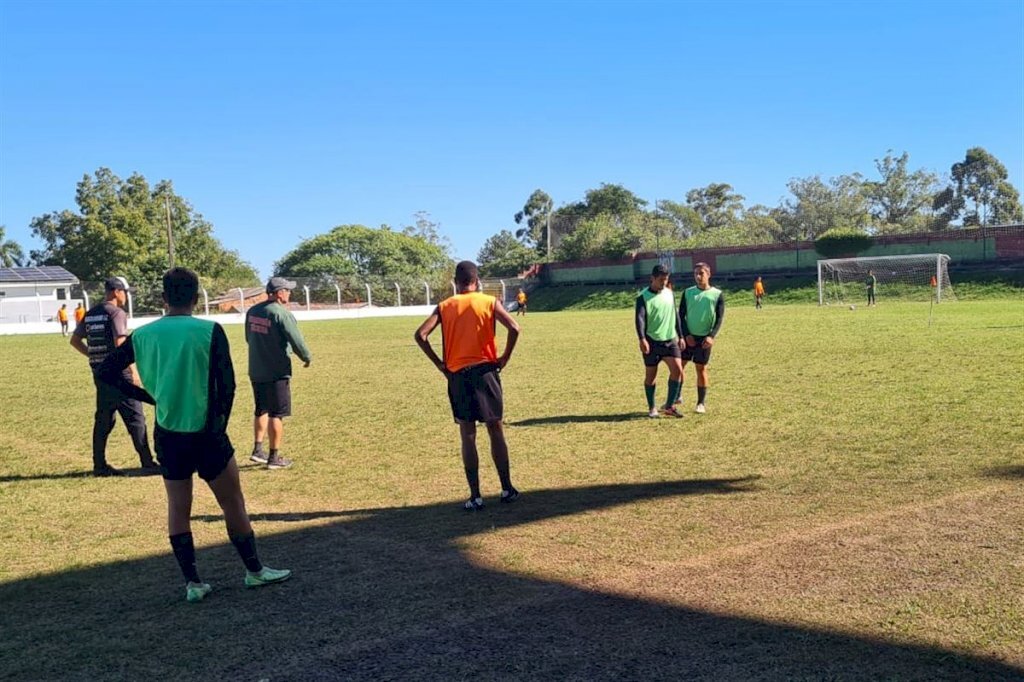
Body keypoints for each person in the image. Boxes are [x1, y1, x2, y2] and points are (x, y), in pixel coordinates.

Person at [96, 267, 291, 603]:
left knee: (178, 507)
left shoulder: (143, 335)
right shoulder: (210, 331)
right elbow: (226, 384)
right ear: (195, 295)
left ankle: (193, 583)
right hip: (208, 432)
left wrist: (148, 397)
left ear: (163, 298)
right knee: (232, 502)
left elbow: (105, 371)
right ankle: (255, 570)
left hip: (168, 432)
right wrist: (219, 424)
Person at [415, 260, 521, 511]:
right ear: (477, 280)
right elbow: (515, 327)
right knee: (496, 430)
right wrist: (504, 357)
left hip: (458, 375)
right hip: (486, 371)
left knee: (468, 434)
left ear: (455, 281)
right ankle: (507, 489)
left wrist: (440, 365)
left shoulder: (444, 306)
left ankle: (475, 496)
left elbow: (421, 335)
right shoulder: (488, 302)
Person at [70, 277, 157, 476]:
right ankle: (147, 462)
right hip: (119, 374)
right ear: (116, 292)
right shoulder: (117, 313)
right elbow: (121, 344)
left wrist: (92, 356)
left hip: (100, 373)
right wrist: (134, 372)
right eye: (125, 292)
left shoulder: (91, 314)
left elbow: (75, 340)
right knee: (135, 417)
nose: (126, 296)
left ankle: (99, 465)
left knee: (104, 419)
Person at [245, 277, 312, 470]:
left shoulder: (253, 311)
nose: (289, 293)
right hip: (277, 371)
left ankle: (258, 449)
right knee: (277, 413)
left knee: (261, 408)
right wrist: (306, 357)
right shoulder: (282, 314)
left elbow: (248, 337)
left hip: (256, 369)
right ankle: (274, 457)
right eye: (287, 290)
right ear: (279, 293)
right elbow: (296, 340)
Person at [636, 264, 684, 419]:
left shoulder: (669, 293)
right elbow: (640, 319)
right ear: (653, 278)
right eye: (661, 280)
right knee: (651, 376)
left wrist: (681, 336)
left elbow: (675, 315)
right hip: (652, 342)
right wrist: (642, 338)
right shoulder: (643, 297)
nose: (664, 282)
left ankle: (669, 406)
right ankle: (652, 408)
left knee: (677, 371)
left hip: (670, 340)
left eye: (666, 279)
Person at [678, 262, 725, 415]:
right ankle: (676, 396)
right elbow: (680, 316)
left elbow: (719, 319)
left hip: (704, 339)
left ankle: (700, 403)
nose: (698, 277)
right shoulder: (687, 293)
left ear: (708, 274)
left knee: (701, 369)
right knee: (679, 367)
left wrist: (711, 336)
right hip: (688, 338)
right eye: (696, 274)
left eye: (701, 273)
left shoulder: (717, 294)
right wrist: (686, 335)